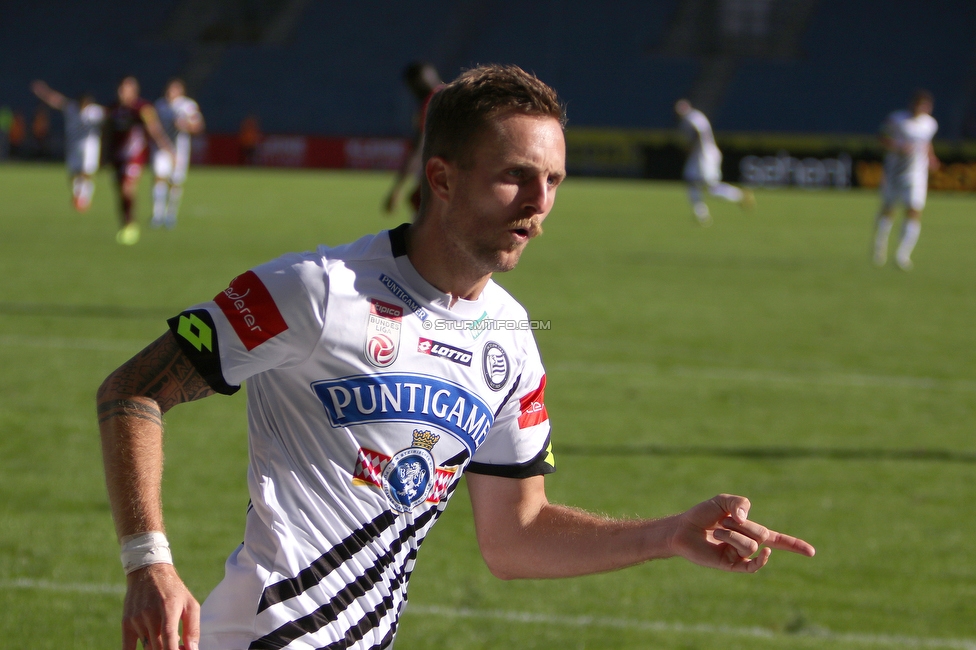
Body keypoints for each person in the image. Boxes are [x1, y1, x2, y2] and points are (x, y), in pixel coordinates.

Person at [97, 64, 815, 650]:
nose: (538, 203)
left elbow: (515, 536)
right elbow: (132, 391)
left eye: (554, 181)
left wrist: (668, 535)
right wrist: (147, 564)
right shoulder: (315, 290)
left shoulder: (511, 339)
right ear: (440, 179)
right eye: (515, 176)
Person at [872, 90, 939, 271]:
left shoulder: (930, 124)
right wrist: (898, 146)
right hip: (894, 172)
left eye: (926, 106)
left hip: (916, 174)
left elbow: (926, 143)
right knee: (888, 209)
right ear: (913, 104)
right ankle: (879, 247)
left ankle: (903, 254)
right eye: (920, 104)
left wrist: (931, 158)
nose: (922, 108)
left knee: (914, 211)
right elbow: (882, 136)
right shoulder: (898, 119)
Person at [104, 76, 173, 245]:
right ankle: (127, 222)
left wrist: (167, 148)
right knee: (120, 191)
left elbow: (154, 129)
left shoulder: (142, 108)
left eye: (125, 89)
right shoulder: (113, 108)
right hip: (117, 156)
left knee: (128, 188)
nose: (121, 92)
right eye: (120, 89)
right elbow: (107, 132)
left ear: (133, 91)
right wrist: (104, 155)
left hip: (135, 156)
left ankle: (131, 225)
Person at [674, 98, 753, 225]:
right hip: (698, 156)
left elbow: (699, 133)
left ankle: (740, 195)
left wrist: (690, 146)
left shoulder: (692, 117)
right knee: (691, 181)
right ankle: (701, 214)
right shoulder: (690, 118)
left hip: (706, 156)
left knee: (712, 188)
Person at [31, 80, 105, 212]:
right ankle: (79, 195)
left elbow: (109, 118)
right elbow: (56, 100)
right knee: (74, 174)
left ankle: (84, 197)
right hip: (73, 145)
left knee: (86, 172)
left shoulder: (96, 112)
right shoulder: (71, 108)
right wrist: (43, 92)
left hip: (90, 146)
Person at [383, 61, 443, 218]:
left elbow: (417, 149)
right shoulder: (451, 95)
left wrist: (397, 188)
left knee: (420, 206)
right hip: (468, 172)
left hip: (444, 173)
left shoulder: (430, 104)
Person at [151, 78, 205, 229]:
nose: (170, 93)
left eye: (174, 90)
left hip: (180, 149)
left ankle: (171, 215)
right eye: (169, 89)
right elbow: (154, 126)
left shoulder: (188, 106)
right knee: (158, 177)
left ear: (181, 91)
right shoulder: (160, 105)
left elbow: (198, 126)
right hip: (162, 147)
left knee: (175, 182)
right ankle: (157, 214)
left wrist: (185, 125)